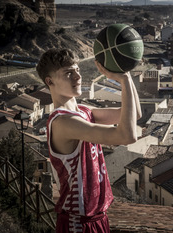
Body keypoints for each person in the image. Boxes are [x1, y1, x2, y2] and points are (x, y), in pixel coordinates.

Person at [36, 48, 142, 233]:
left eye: (77, 70)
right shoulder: (63, 122)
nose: (78, 77)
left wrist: (126, 72)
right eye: (69, 73)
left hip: (98, 217)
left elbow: (135, 114)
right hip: (78, 222)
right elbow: (127, 136)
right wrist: (123, 80)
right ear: (49, 81)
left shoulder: (83, 111)